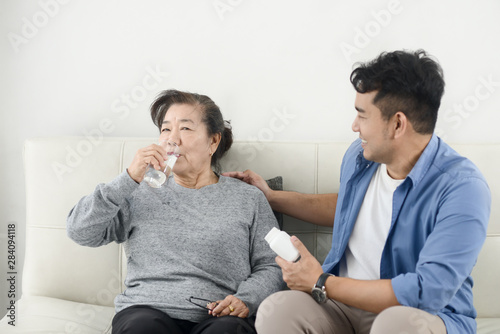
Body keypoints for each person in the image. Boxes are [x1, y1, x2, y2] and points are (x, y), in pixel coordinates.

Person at [224, 50, 491, 334]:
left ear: (398, 124)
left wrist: (321, 281)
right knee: (277, 311)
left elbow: (429, 290)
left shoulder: (462, 187)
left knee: (395, 324)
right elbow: (349, 209)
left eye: (362, 116)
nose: (354, 126)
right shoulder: (360, 157)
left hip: (420, 316)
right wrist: (272, 197)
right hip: (343, 308)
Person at [66, 89, 283, 334]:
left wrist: (246, 299)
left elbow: (272, 264)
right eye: (166, 129)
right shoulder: (135, 191)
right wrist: (128, 178)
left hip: (220, 316)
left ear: (213, 141)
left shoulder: (248, 198)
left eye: (186, 129)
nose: (173, 140)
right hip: (146, 311)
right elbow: (79, 231)